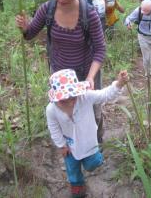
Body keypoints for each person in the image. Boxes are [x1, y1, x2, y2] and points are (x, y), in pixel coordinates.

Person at [15, 0, 106, 143]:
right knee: (66, 113)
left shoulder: (89, 15)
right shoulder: (47, 9)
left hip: (85, 71)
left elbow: (100, 49)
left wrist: (90, 77)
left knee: (93, 110)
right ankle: (73, 146)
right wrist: (25, 28)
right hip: (60, 75)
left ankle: (96, 141)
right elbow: (30, 33)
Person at [46, 69, 129, 198]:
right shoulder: (51, 110)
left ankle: (97, 159)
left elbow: (105, 95)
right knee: (72, 168)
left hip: (88, 141)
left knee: (92, 163)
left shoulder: (85, 97)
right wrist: (61, 145)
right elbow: (54, 128)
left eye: (72, 97)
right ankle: (77, 186)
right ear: (56, 98)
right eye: (63, 100)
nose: (69, 101)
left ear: (77, 92)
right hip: (69, 145)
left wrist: (119, 84)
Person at [125, 0, 151, 77]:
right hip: (143, 37)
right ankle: (148, 74)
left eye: (146, 11)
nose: (143, 12)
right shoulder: (138, 10)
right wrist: (128, 23)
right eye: (143, 10)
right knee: (147, 58)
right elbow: (128, 18)